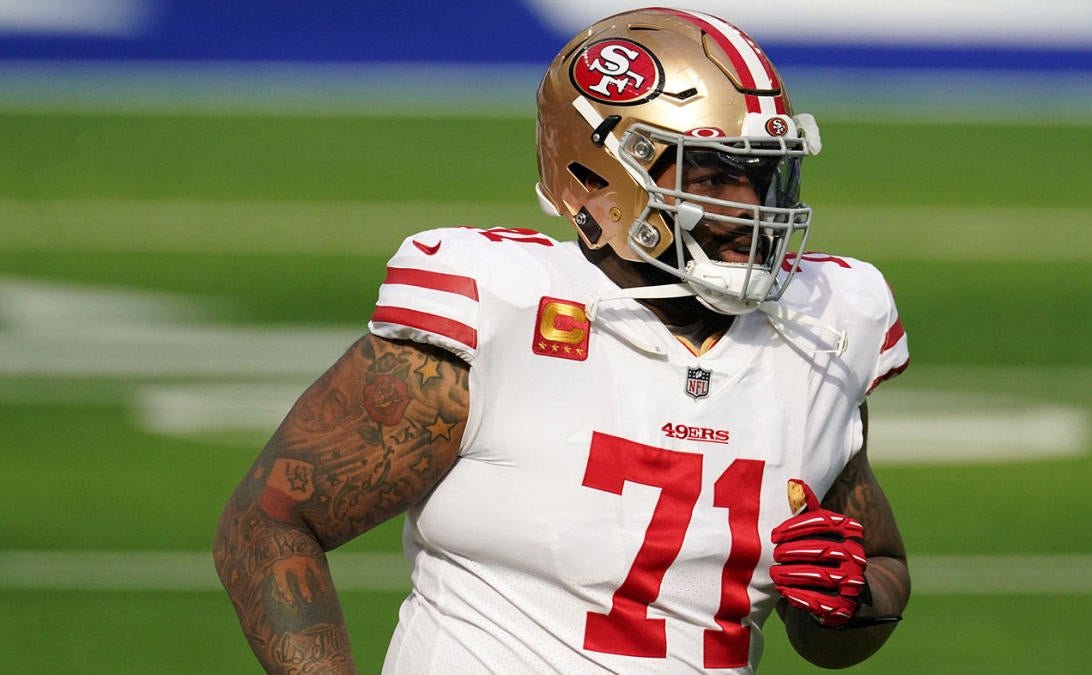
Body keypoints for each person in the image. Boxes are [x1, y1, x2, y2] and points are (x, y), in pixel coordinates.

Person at [214, 6, 910, 673]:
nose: (751, 208)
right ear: (597, 178)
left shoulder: (822, 331)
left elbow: (873, 577)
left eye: (761, 174)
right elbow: (267, 521)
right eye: (712, 175)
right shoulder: (500, 310)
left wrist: (847, 602)